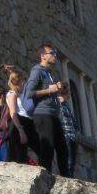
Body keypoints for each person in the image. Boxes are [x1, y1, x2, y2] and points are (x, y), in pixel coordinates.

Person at [23, 44, 69, 175]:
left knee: (63, 150)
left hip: (54, 114)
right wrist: (49, 90)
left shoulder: (49, 73)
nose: (55, 55)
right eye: (52, 53)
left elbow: (50, 91)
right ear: (43, 56)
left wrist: (57, 88)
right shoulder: (37, 71)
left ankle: (67, 179)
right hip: (42, 114)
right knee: (47, 149)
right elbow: (29, 93)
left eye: (55, 53)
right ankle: (45, 179)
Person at [3, 67, 36, 164]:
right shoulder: (12, 94)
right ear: (19, 81)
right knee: (19, 157)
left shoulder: (22, 95)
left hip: (28, 123)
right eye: (24, 79)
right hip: (19, 125)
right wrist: (21, 130)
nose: (26, 81)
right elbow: (13, 112)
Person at [57, 85, 79, 178]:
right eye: (68, 91)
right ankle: (67, 178)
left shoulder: (66, 104)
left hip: (72, 136)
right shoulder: (57, 103)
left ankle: (70, 177)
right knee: (68, 162)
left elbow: (71, 119)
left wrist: (76, 130)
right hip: (66, 135)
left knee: (72, 162)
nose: (70, 93)